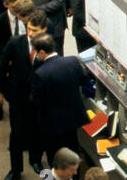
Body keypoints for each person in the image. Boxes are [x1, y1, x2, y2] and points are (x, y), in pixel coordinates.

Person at [0, 7, 46, 180]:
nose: (30, 34)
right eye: (29, 29)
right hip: (17, 97)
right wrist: (0, 92)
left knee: (37, 131)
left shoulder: (46, 47)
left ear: (44, 31)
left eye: (35, 31)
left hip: (37, 99)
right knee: (16, 134)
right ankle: (15, 170)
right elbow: (1, 68)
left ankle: (36, 160)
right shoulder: (15, 43)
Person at [29, 35, 87, 164]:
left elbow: (36, 100)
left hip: (53, 124)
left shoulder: (41, 73)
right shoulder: (72, 61)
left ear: (42, 52)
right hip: (73, 119)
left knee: (55, 157)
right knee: (73, 150)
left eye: (36, 52)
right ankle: (75, 179)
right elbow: (84, 80)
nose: (35, 56)